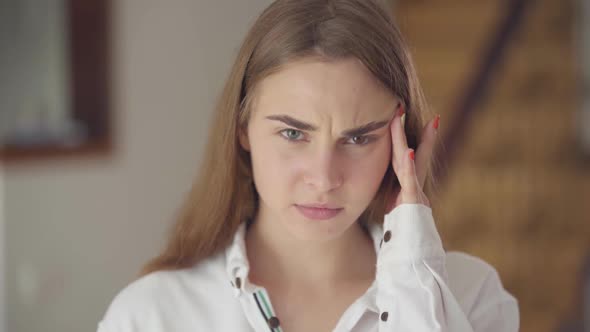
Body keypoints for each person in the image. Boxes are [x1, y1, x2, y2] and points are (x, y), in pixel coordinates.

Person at [97, 0, 520, 331]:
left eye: (358, 138)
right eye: (293, 134)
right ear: (242, 128)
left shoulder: (470, 298)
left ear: (400, 141)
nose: (323, 178)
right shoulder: (151, 316)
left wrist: (412, 270)